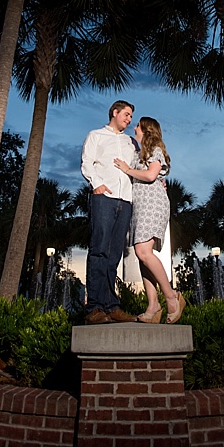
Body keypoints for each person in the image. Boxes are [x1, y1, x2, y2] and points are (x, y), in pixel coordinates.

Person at [114, 116, 185, 324]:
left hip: (152, 204)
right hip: (139, 206)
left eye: (137, 125)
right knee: (142, 255)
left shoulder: (155, 149)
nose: (134, 127)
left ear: (146, 130)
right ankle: (153, 306)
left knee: (143, 252)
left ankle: (172, 297)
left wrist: (127, 169)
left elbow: (151, 175)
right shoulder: (139, 153)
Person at [79, 100, 139, 325]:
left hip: (126, 200)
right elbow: (87, 163)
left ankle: (111, 306)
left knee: (115, 254)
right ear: (114, 112)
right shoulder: (95, 135)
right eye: (126, 114)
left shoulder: (130, 142)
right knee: (99, 250)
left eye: (131, 116)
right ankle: (95, 307)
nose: (129, 119)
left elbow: (141, 166)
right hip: (104, 198)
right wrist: (97, 184)